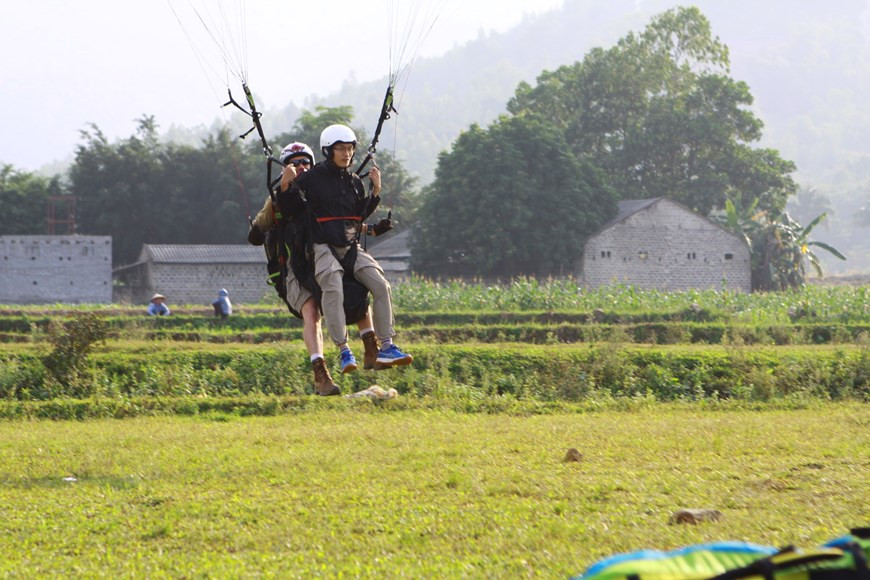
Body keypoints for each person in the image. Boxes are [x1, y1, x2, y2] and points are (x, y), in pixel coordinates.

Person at [249, 141, 384, 396]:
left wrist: (372, 228)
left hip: (321, 259)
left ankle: (371, 347)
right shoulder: (279, 198)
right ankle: (321, 375)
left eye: (305, 163)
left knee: (356, 286)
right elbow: (256, 234)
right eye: (295, 164)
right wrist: (279, 198)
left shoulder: (323, 190)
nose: (301, 167)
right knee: (311, 310)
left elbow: (344, 221)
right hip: (294, 267)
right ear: (285, 168)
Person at [277, 124, 412, 376]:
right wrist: (285, 185)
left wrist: (375, 193)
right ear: (328, 151)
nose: (346, 154)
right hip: (321, 246)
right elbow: (289, 210)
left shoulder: (354, 183)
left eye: (350, 149)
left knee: (381, 285)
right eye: (340, 149)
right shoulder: (311, 178)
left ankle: (386, 345)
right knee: (333, 284)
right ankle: (343, 349)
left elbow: (356, 216)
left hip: (349, 246)